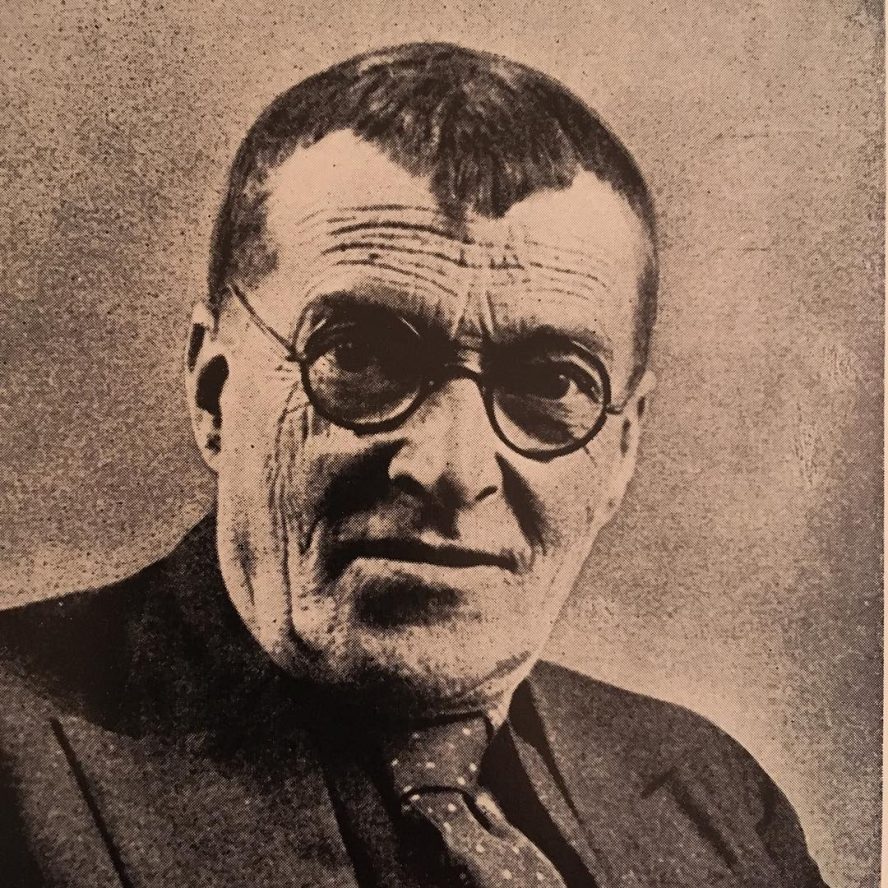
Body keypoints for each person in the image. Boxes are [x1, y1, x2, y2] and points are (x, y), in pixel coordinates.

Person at [0, 42, 827, 887]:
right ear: (216, 394)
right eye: (361, 357)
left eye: (551, 383)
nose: (453, 468)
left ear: (622, 449)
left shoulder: (719, 802)